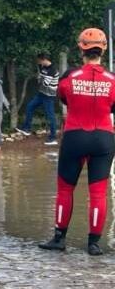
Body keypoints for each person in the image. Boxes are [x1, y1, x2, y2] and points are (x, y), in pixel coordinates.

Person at [39, 28, 115, 256]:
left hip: (75, 136)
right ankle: (93, 244)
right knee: (99, 193)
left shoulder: (68, 77)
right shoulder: (112, 79)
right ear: (104, 49)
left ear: (80, 48)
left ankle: (59, 239)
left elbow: (62, 98)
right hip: (103, 137)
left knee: (65, 189)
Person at [16, 53, 59, 145]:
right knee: (30, 107)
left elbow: (45, 83)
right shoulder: (44, 68)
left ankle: (53, 137)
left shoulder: (52, 70)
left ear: (44, 60)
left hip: (49, 96)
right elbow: (40, 79)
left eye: (40, 61)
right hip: (41, 93)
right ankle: (26, 128)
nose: (39, 63)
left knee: (50, 116)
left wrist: (40, 78)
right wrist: (40, 78)